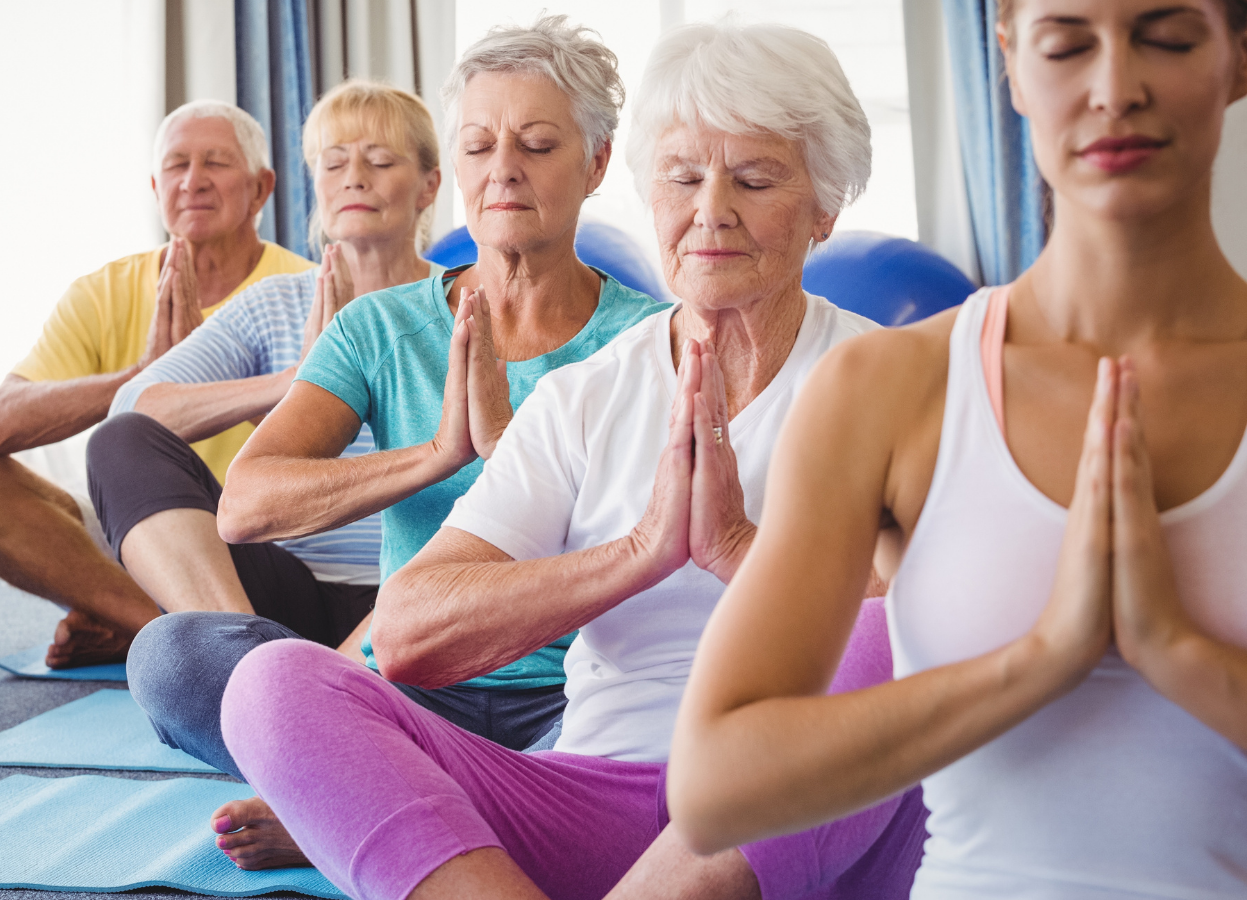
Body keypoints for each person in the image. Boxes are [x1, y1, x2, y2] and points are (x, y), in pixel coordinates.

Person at [216, 21, 929, 900]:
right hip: (599, 795)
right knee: (272, 684)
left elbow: (964, 627)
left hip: (807, 806)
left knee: (892, 637)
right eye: (682, 177)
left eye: (752, 178)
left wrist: (738, 548)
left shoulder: (899, 381)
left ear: (825, 207)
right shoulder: (587, 396)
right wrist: (638, 554)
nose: (710, 210)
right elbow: (405, 636)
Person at [667, 1, 1247, 898]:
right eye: (1067, 45)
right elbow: (713, 789)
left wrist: (1175, 651)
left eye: (1166, 38)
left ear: (1237, 59)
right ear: (1011, 64)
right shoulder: (891, 388)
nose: (1114, 88)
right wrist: (1040, 659)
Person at [190, 15, 664, 871]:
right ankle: (420, 785)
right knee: (179, 660)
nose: (504, 169)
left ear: (595, 164)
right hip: (408, 684)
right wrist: (440, 453)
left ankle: (352, 794)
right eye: (479, 146)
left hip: (569, 695)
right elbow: (245, 505)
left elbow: (654, 542)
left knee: (648, 757)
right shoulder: (380, 325)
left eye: (539, 144)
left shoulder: (650, 341)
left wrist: (508, 449)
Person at [95, 79, 444, 762]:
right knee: (122, 445)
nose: (354, 179)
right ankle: (252, 671)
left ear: (429, 186)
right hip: (289, 600)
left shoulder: (462, 307)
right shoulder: (275, 306)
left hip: (418, 594)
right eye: (335, 163)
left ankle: (298, 732)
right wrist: (294, 381)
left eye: (380, 161)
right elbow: (132, 407)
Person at [0, 101, 312, 669]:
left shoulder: (301, 289)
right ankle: (147, 624)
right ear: (157, 187)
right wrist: (144, 376)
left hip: (256, 540)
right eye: (177, 165)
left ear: (261, 189)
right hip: (135, 527)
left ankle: (161, 624)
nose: (193, 180)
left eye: (216, 163)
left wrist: (209, 376)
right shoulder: (103, 290)